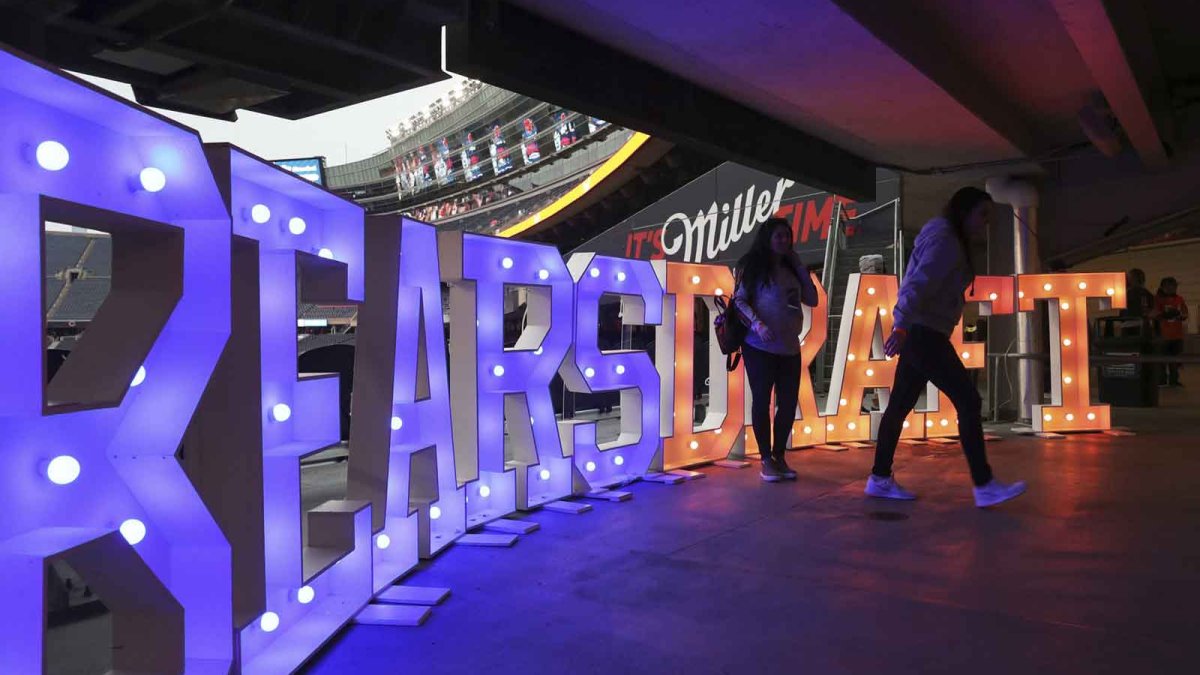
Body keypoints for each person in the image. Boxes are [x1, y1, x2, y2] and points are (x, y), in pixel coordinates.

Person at [867, 187, 1026, 508]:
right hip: (924, 333)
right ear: (964, 211)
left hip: (921, 331)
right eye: (982, 215)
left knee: (899, 405)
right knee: (968, 400)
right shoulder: (947, 242)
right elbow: (918, 283)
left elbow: (919, 282)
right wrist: (900, 324)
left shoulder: (943, 237)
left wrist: (904, 325)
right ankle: (983, 484)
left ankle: (879, 478)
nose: (985, 223)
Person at [734, 217, 818, 482]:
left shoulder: (791, 269)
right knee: (762, 400)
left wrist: (799, 265)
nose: (784, 240)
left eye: (787, 236)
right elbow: (739, 300)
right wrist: (758, 325)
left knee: (788, 403)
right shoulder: (753, 266)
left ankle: (780, 456)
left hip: (790, 347)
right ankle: (766, 459)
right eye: (778, 236)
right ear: (767, 238)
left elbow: (813, 299)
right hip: (759, 346)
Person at [1155, 277, 1188, 386]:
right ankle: (1161, 380)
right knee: (1162, 360)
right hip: (1163, 335)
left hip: (1177, 335)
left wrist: (1181, 315)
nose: (1174, 288)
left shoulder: (1179, 299)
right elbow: (1155, 314)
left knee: (1175, 360)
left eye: (1175, 286)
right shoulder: (1158, 299)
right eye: (1171, 286)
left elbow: (1185, 313)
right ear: (1164, 287)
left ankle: (1174, 380)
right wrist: (1165, 314)